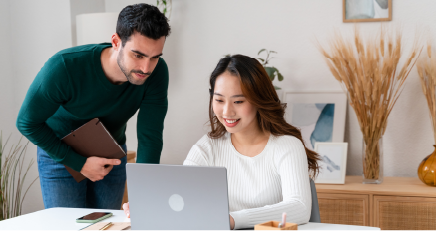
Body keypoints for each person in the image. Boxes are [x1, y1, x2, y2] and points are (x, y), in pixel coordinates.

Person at [123, 54, 321, 230]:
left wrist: (233, 220)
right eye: (219, 100)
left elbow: (299, 208)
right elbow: (181, 195)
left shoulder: (287, 146)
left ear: (258, 100)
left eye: (238, 101)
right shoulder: (207, 147)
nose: (227, 112)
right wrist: (150, 205)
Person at [16, 3, 171, 210]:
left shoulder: (157, 73)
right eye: (138, 55)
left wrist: (143, 193)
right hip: (61, 154)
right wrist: (78, 163)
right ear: (116, 42)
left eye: (154, 57)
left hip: (111, 155)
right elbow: (27, 122)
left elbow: (150, 138)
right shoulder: (64, 67)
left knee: (109, 225)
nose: (146, 68)